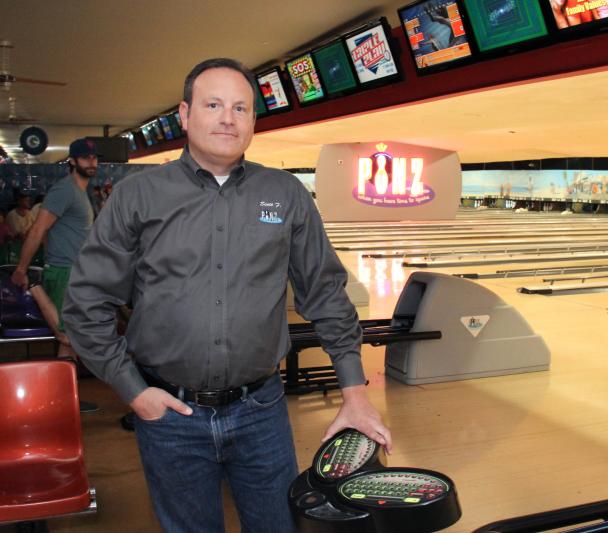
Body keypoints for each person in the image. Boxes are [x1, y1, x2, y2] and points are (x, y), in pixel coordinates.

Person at [62, 57, 392, 533]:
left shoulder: (286, 193)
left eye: (241, 108)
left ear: (254, 121)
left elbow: (324, 292)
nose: (227, 118)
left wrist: (355, 392)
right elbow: (86, 303)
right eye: (213, 104)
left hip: (261, 412)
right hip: (170, 416)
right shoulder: (140, 195)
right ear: (184, 113)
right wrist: (134, 392)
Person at [11, 138, 98, 412]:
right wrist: (22, 270)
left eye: (94, 158)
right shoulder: (65, 190)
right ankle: (59, 399)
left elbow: (52, 233)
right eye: (85, 158)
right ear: (72, 161)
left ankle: (65, 398)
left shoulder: (81, 192)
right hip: (64, 273)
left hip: (74, 272)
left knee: (70, 342)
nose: (91, 163)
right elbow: (38, 229)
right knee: (66, 338)